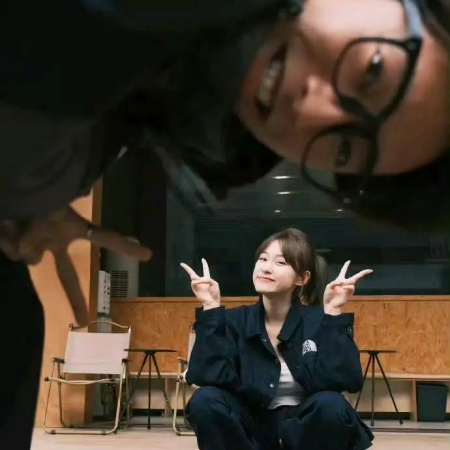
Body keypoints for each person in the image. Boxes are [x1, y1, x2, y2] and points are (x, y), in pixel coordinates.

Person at [0, 1, 448, 447]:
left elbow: (339, 384)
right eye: (373, 70)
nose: (313, 111)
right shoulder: (167, 27)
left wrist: (35, 191)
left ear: (303, 278)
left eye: (345, 150)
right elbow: (207, 380)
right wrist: (214, 315)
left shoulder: (185, 119)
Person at [180, 228, 374, 450]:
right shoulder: (235, 321)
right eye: (263, 259)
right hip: (248, 433)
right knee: (205, 399)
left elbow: (346, 381)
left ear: (302, 278)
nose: (266, 268)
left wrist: (333, 312)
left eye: (280, 262)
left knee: (331, 403)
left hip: (303, 433)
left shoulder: (319, 321)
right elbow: (204, 377)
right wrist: (210, 307)